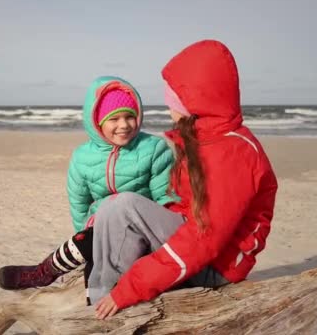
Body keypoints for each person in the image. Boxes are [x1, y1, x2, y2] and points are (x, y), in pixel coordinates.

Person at [91, 39, 278, 320]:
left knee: (124, 207)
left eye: (174, 98)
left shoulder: (234, 152)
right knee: (114, 209)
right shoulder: (206, 139)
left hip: (219, 266)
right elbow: (187, 210)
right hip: (202, 247)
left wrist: (130, 288)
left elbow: (205, 239)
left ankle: (109, 300)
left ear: (196, 100)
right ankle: (99, 295)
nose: (169, 108)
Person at [0, 76, 176, 294]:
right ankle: (45, 273)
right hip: (97, 230)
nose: (124, 125)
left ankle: (47, 270)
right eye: (114, 119)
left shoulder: (154, 148)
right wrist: (84, 233)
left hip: (139, 228)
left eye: (130, 116)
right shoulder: (82, 156)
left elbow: (166, 197)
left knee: (108, 250)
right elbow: (79, 202)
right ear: (97, 121)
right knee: (94, 267)